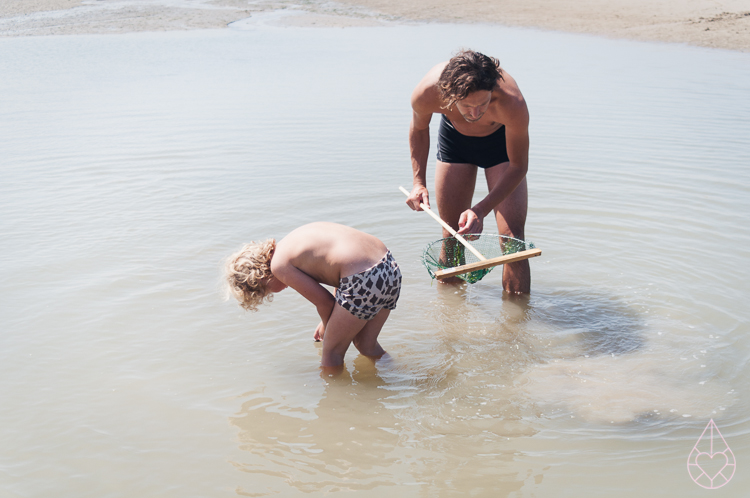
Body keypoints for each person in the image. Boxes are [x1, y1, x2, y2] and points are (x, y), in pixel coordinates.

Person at [406, 49, 531, 294]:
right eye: (466, 106)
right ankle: (450, 322)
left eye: (483, 104)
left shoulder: (511, 102)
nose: (475, 114)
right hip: (455, 144)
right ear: (449, 95)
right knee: (452, 235)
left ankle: (516, 326)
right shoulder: (427, 93)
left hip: (500, 147)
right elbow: (419, 129)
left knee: (512, 241)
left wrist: (480, 210)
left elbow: (519, 166)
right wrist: (418, 182)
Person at [224, 222, 402, 370]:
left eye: (266, 291)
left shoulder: (278, 265)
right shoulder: (292, 241)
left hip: (364, 279)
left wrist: (327, 327)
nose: (274, 292)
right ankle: (398, 375)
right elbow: (340, 272)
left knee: (331, 353)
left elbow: (325, 303)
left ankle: (333, 402)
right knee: (365, 344)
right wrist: (331, 321)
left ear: (262, 278)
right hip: (387, 266)